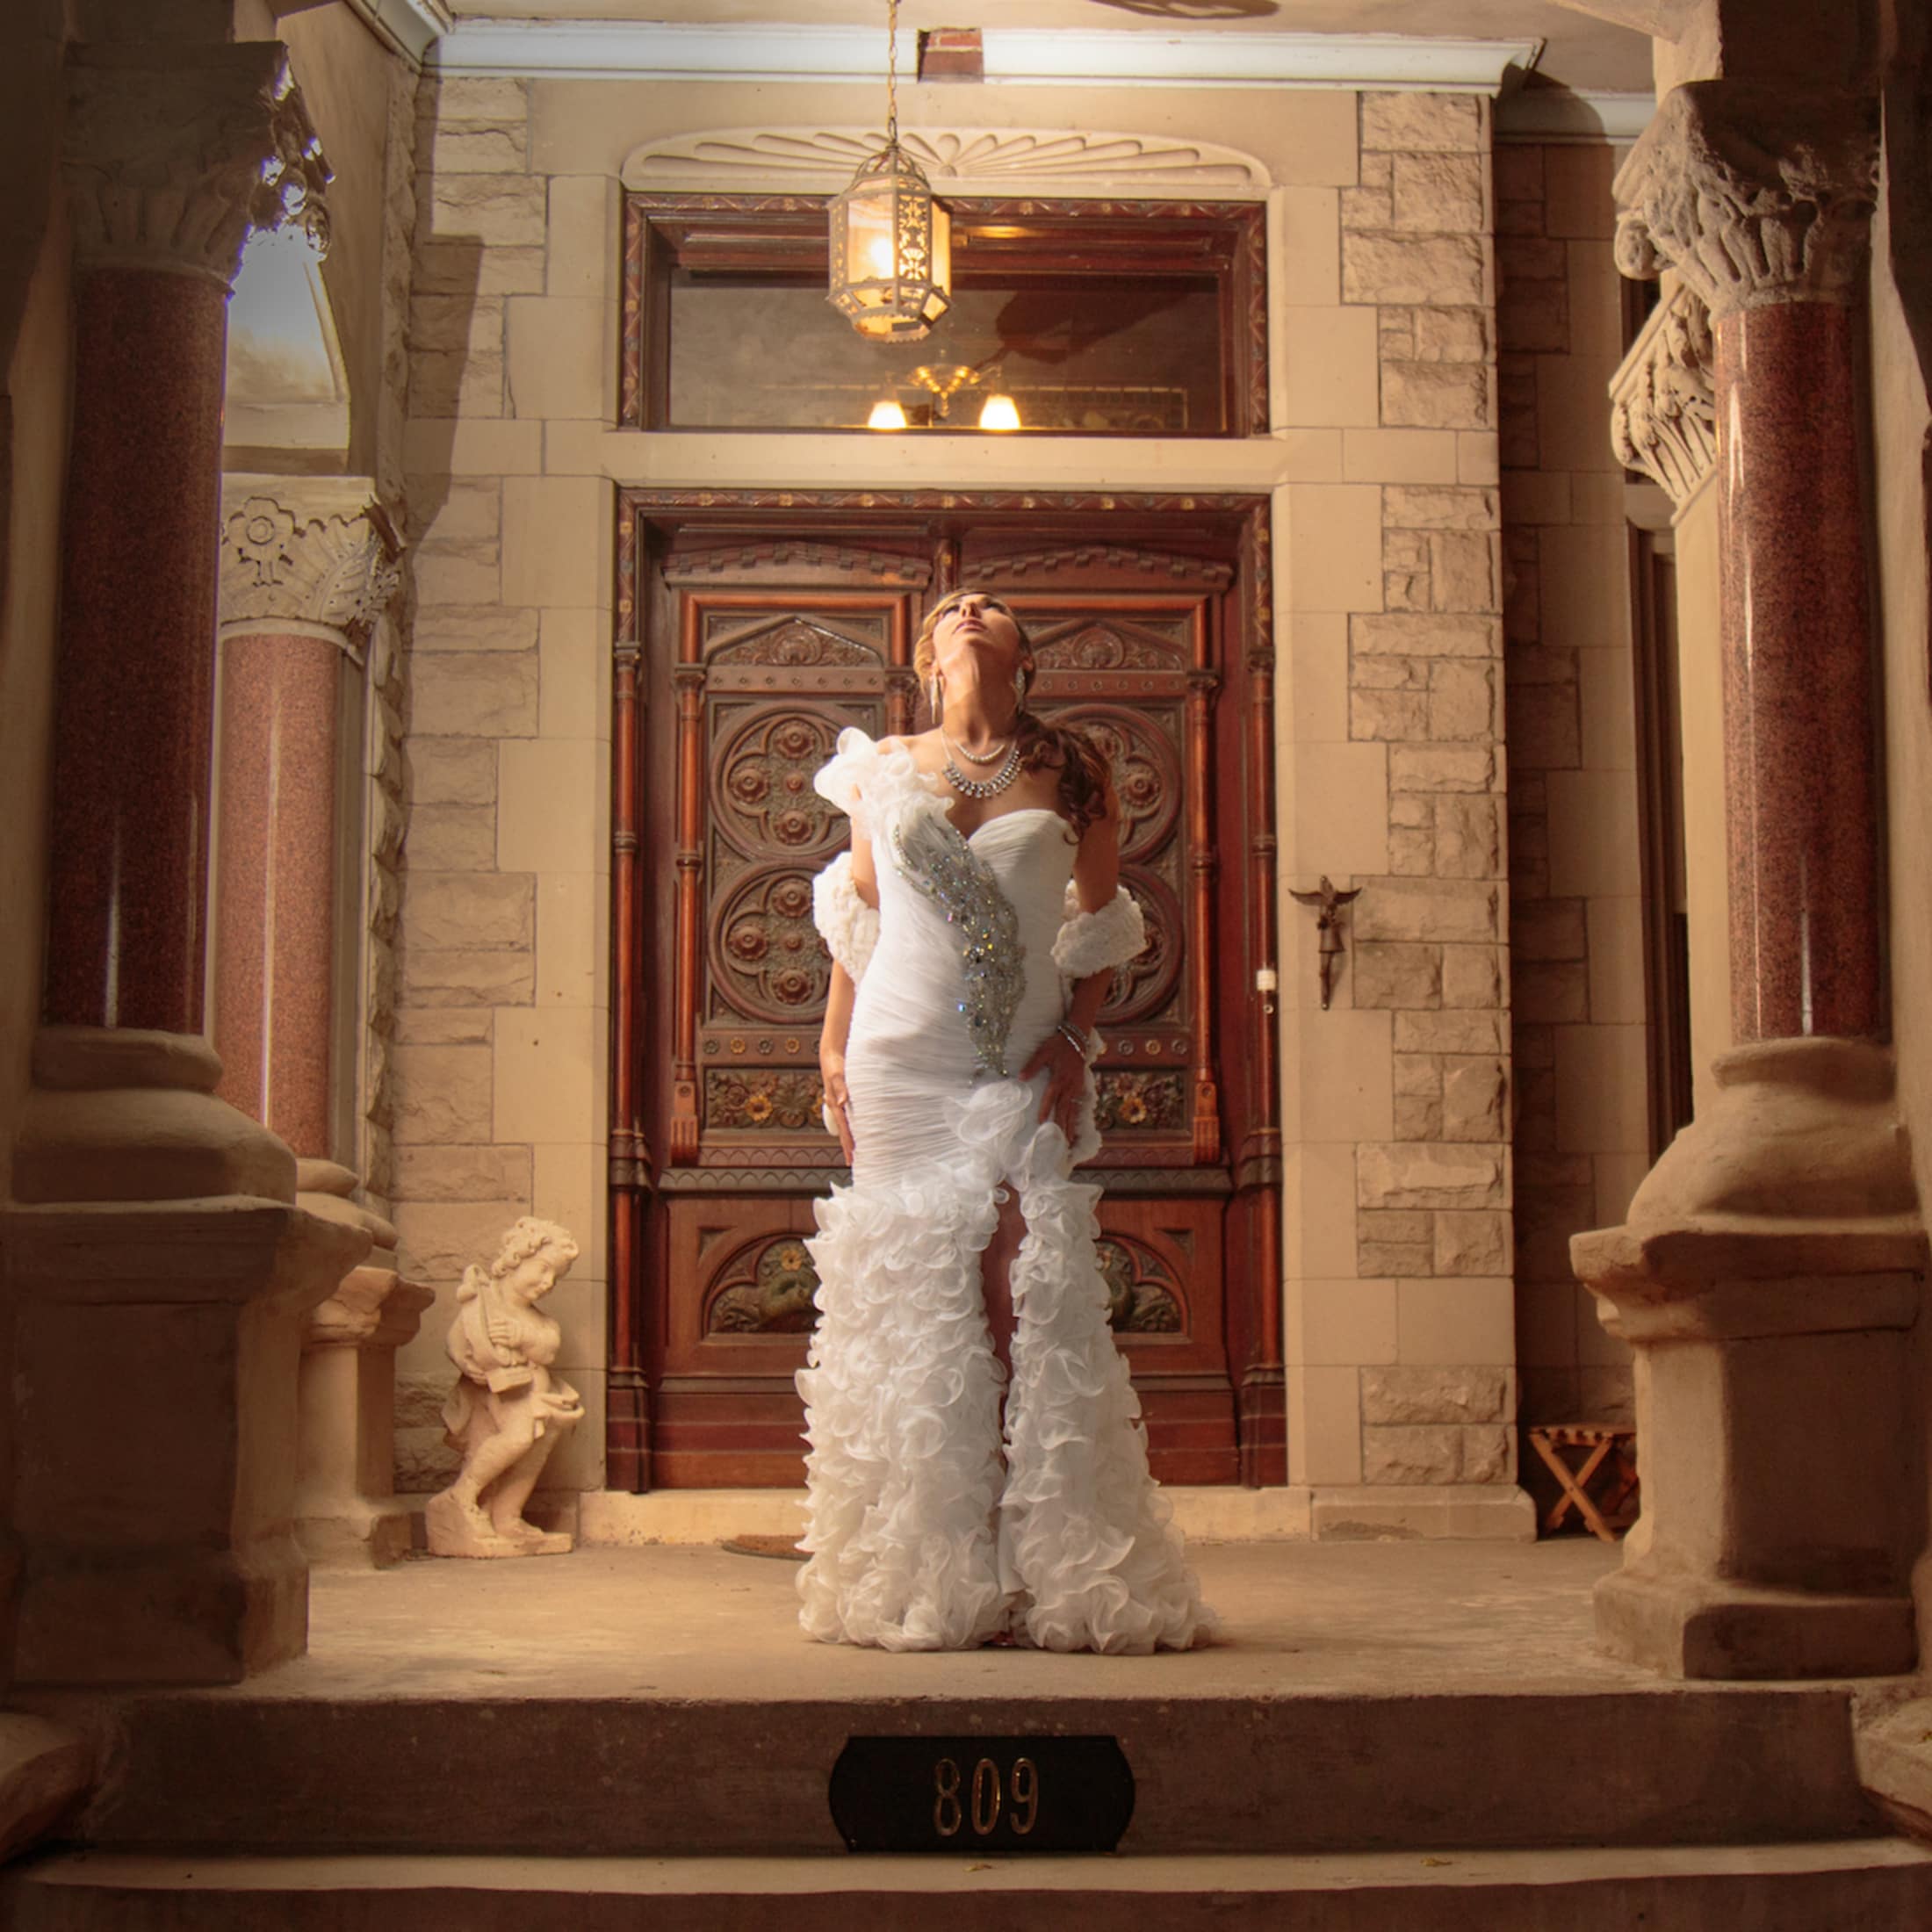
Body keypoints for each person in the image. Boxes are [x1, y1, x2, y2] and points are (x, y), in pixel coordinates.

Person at [797, 587, 1215, 1653]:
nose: (970, 610)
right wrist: (833, 1046)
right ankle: (930, 1563)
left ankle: (1036, 1564)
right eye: (952, 610)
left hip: (1014, 1060)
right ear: (927, 656)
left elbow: (1102, 924)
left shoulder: (1070, 768)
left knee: (1013, 1291)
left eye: (990, 607)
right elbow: (859, 916)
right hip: (895, 1060)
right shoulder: (884, 768)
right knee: (913, 1298)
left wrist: (1075, 1037)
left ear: (1024, 654)